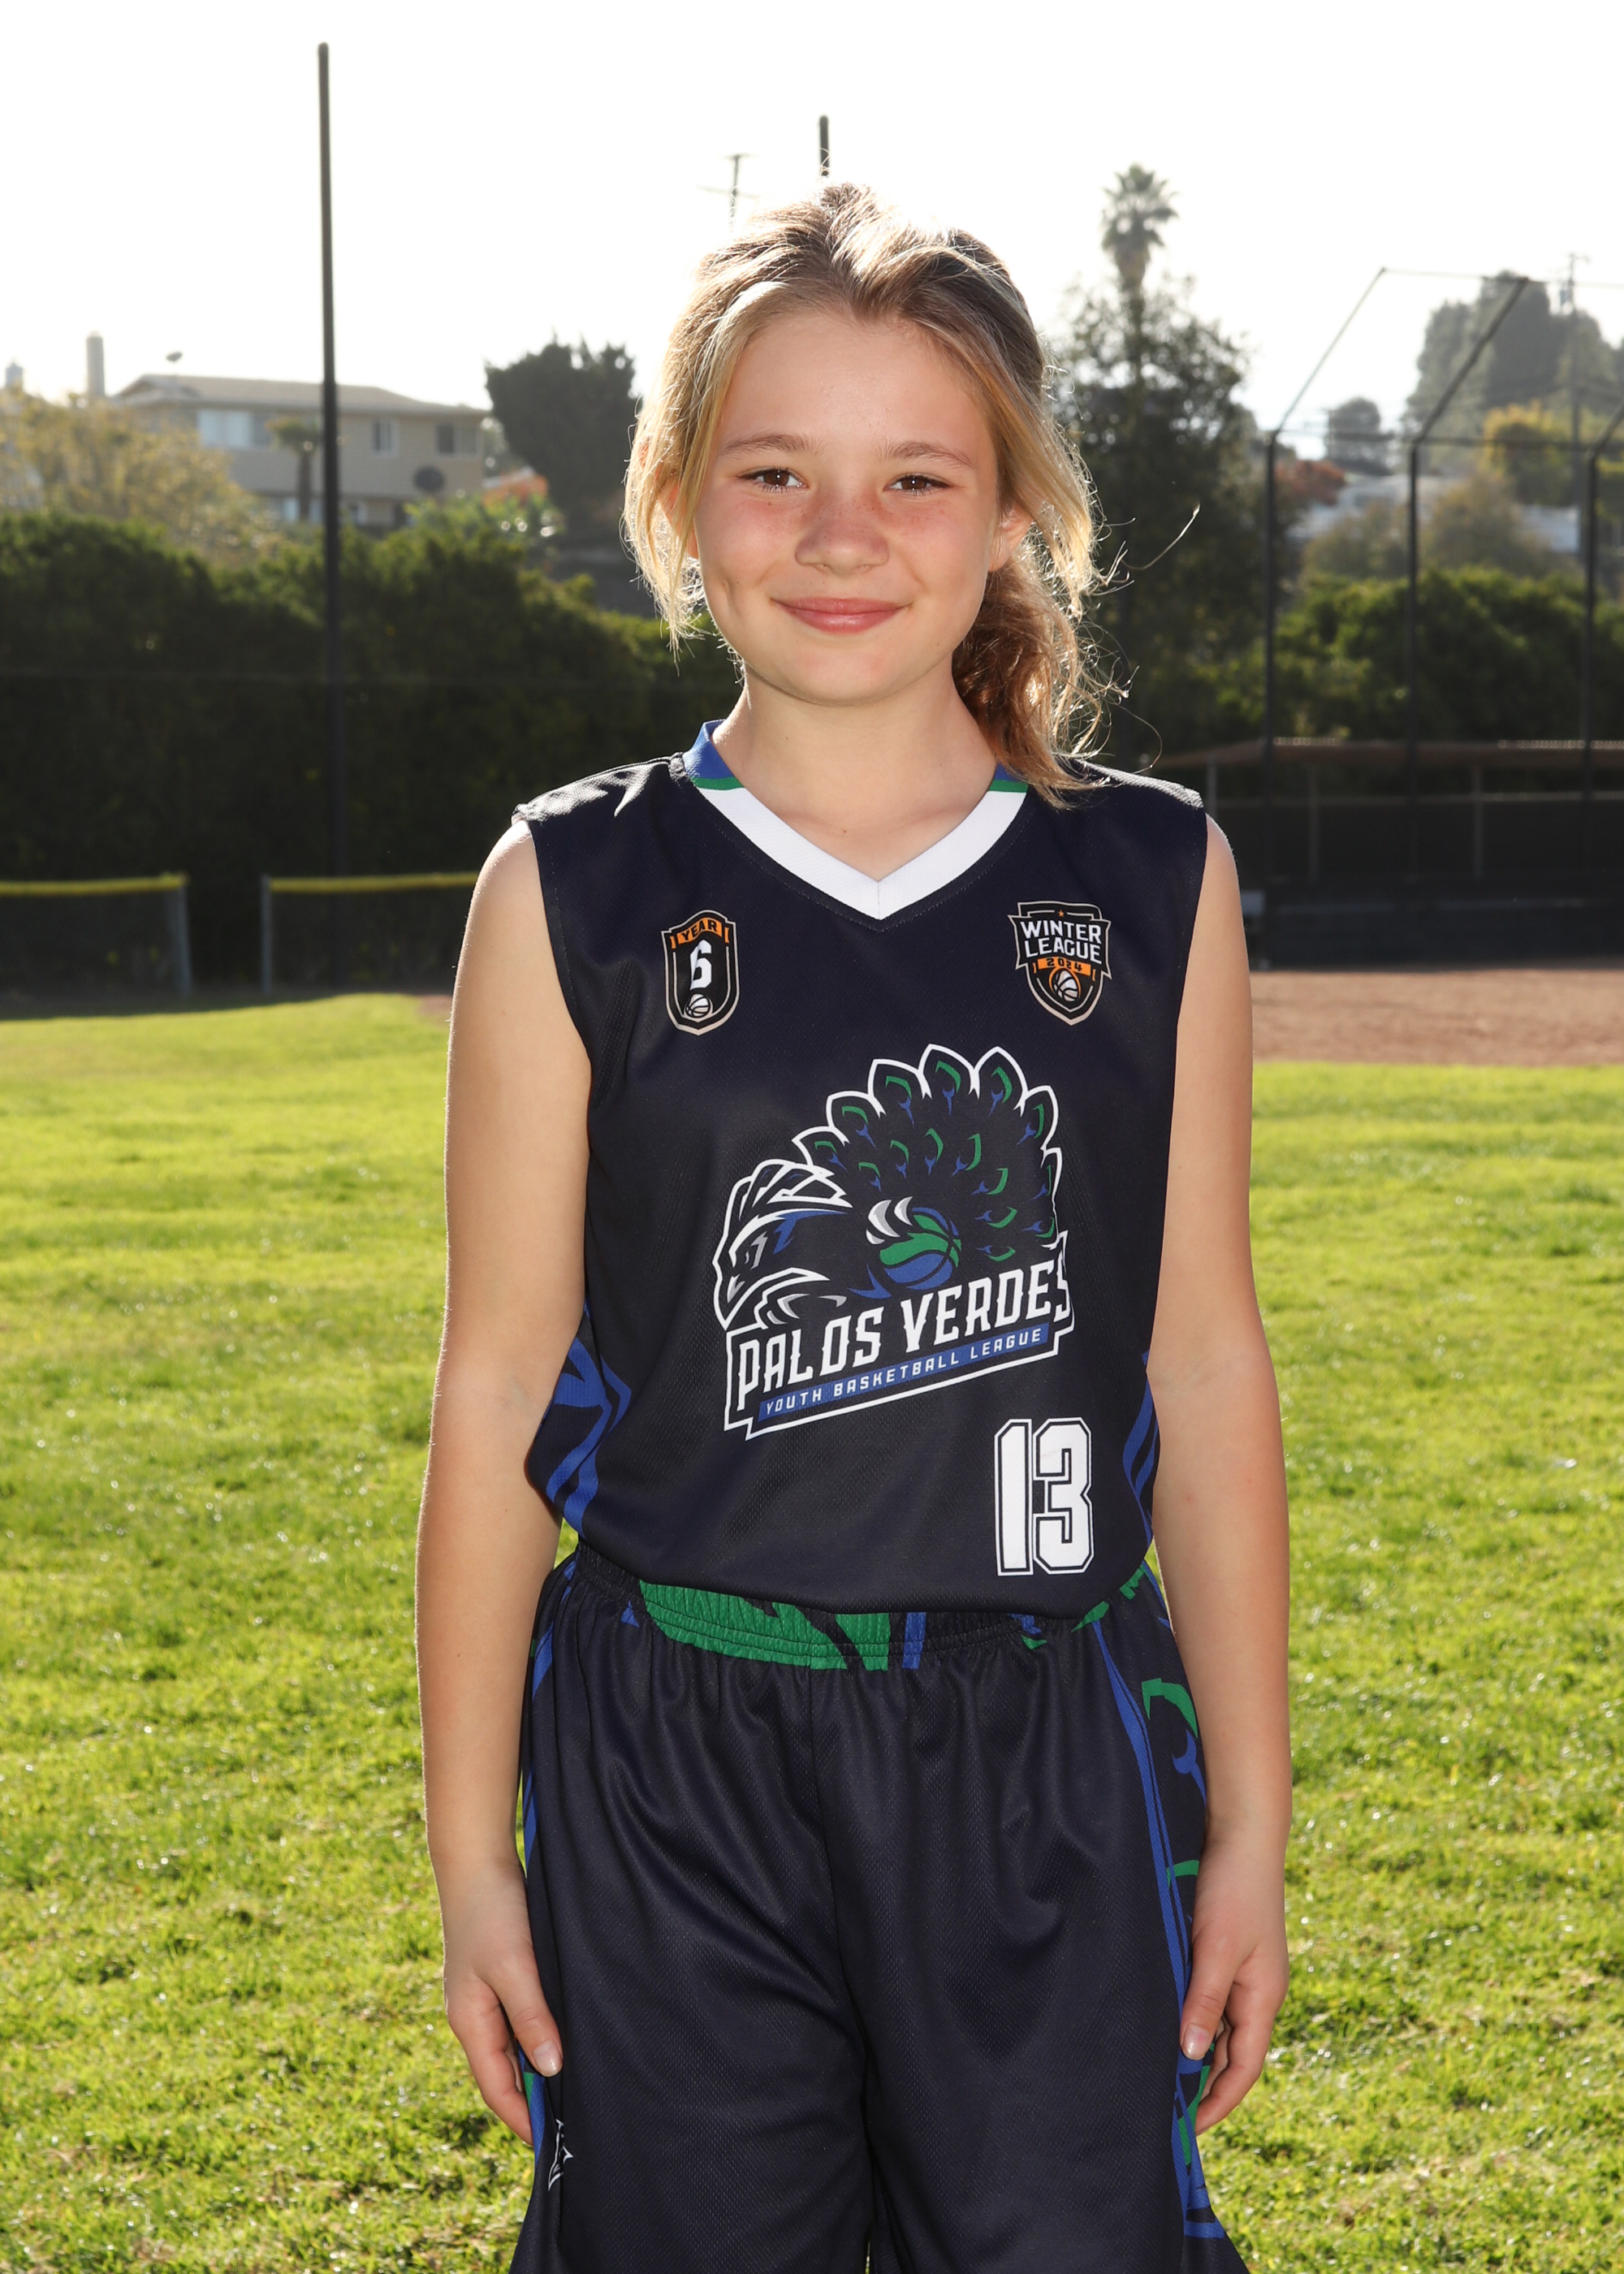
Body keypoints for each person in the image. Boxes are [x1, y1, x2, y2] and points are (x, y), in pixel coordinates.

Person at [417, 183, 1290, 2274]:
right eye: (773, 472)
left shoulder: (1146, 878)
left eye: (914, 477)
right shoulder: (572, 887)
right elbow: (497, 1385)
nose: (838, 534)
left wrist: (1255, 1818)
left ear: (1010, 513)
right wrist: (469, 1852)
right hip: (673, 1749)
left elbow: (1200, 1354)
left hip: (1040, 1738)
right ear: (676, 499)